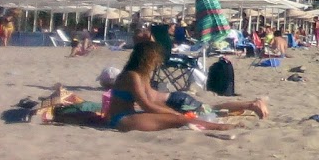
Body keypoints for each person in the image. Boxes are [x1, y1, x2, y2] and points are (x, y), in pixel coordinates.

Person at [53, 42, 267, 132]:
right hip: (121, 120)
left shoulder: (140, 76)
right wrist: (172, 111)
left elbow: (149, 103)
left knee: (181, 119)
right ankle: (217, 127)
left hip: (126, 116)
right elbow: (146, 104)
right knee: (180, 119)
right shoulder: (132, 76)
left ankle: (209, 124)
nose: (157, 62)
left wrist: (172, 112)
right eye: (155, 58)